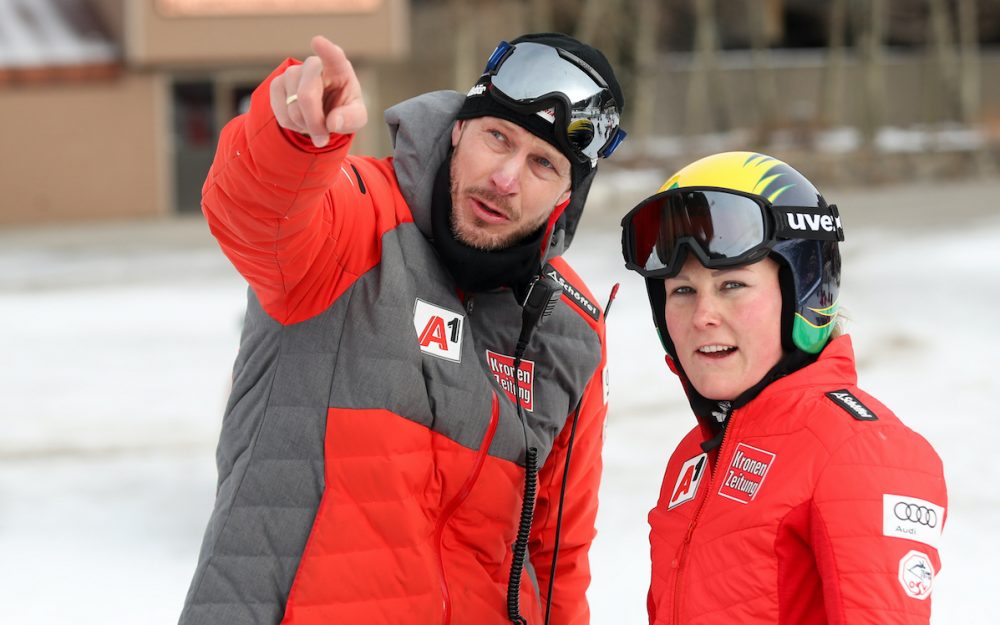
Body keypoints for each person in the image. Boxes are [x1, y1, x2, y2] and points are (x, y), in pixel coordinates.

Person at [178, 33, 626, 625]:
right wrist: (291, 138)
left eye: (543, 164)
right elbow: (257, 213)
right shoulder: (354, 220)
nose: (506, 178)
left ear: (568, 195)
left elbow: (556, 556)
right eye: (499, 138)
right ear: (460, 128)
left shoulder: (567, 330)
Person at [619, 152, 947, 624]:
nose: (702, 316)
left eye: (732, 285)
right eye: (682, 291)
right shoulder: (696, 454)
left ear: (807, 292)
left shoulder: (860, 450)